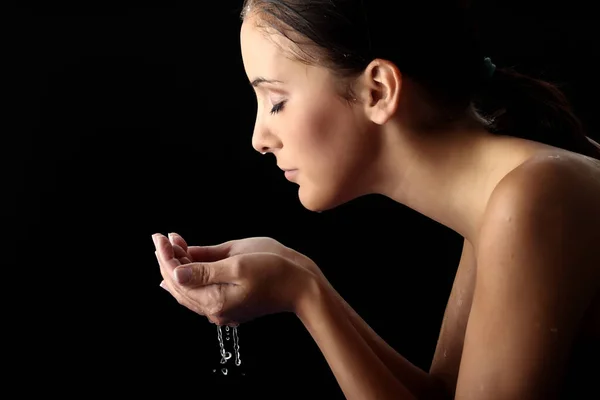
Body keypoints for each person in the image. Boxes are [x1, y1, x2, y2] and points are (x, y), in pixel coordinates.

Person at [154, 1, 600, 399]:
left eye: (276, 100)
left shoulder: (535, 199)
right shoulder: (503, 201)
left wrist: (305, 296)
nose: (258, 139)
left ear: (379, 90)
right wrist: (302, 281)